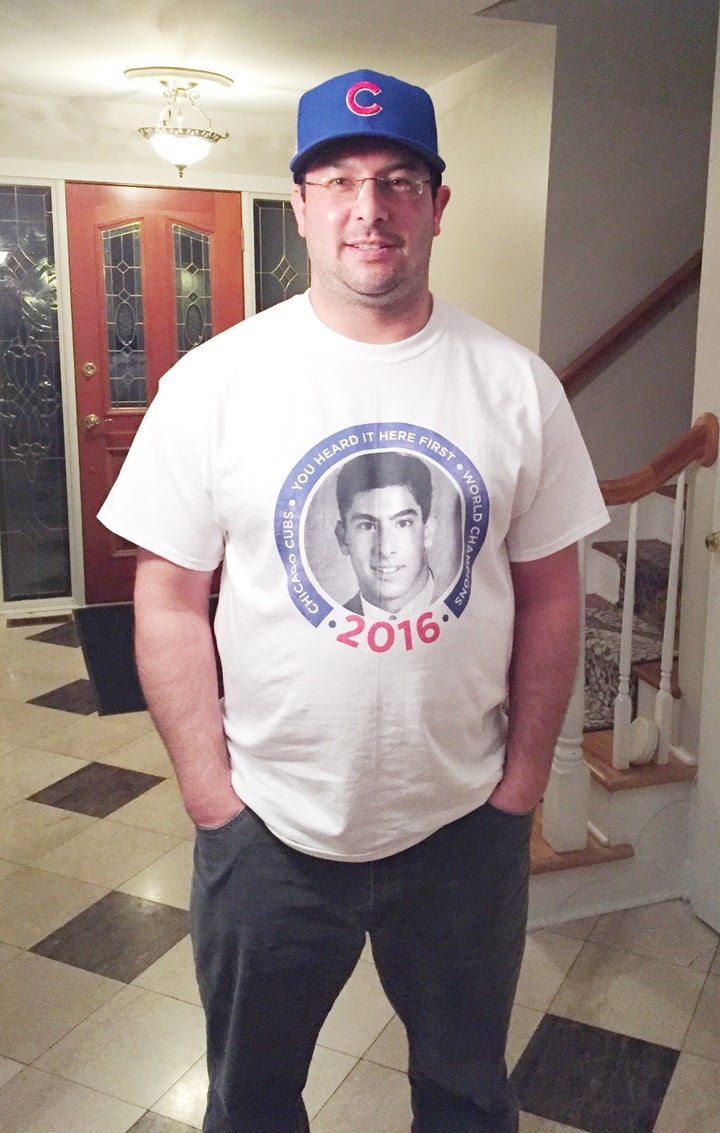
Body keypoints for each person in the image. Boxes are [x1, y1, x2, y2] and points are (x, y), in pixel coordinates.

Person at [99, 67, 609, 1133]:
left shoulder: (515, 384)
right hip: (270, 834)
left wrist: (520, 787)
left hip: (463, 828)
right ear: (301, 202)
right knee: (253, 1102)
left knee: (469, 1096)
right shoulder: (218, 380)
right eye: (336, 180)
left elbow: (553, 594)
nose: (366, 209)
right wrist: (211, 798)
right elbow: (167, 599)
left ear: (437, 202)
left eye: (395, 180)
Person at [334, 450, 438, 616]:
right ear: (343, 539)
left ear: (427, 533)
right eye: (366, 526)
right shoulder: (328, 623)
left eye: (403, 524)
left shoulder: (471, 608)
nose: (385, 549)